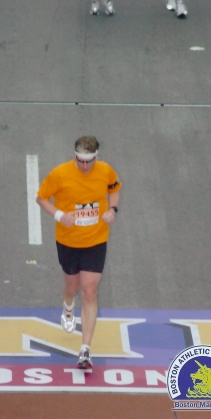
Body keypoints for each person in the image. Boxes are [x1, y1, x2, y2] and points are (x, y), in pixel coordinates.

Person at [36, 136, 121, 368]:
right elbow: (41, 198)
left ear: (97, 157)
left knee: (89, 291)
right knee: (72, 288)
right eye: (81, 161)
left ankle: (85, 349)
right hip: (68, 241)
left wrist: (112, 209)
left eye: (89, 161)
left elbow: (114, 190)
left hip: (96, 240)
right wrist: (59, 216)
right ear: (75, 156)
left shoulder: (106, 171)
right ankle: (67, 307)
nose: (85, 166)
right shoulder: (60, 174)